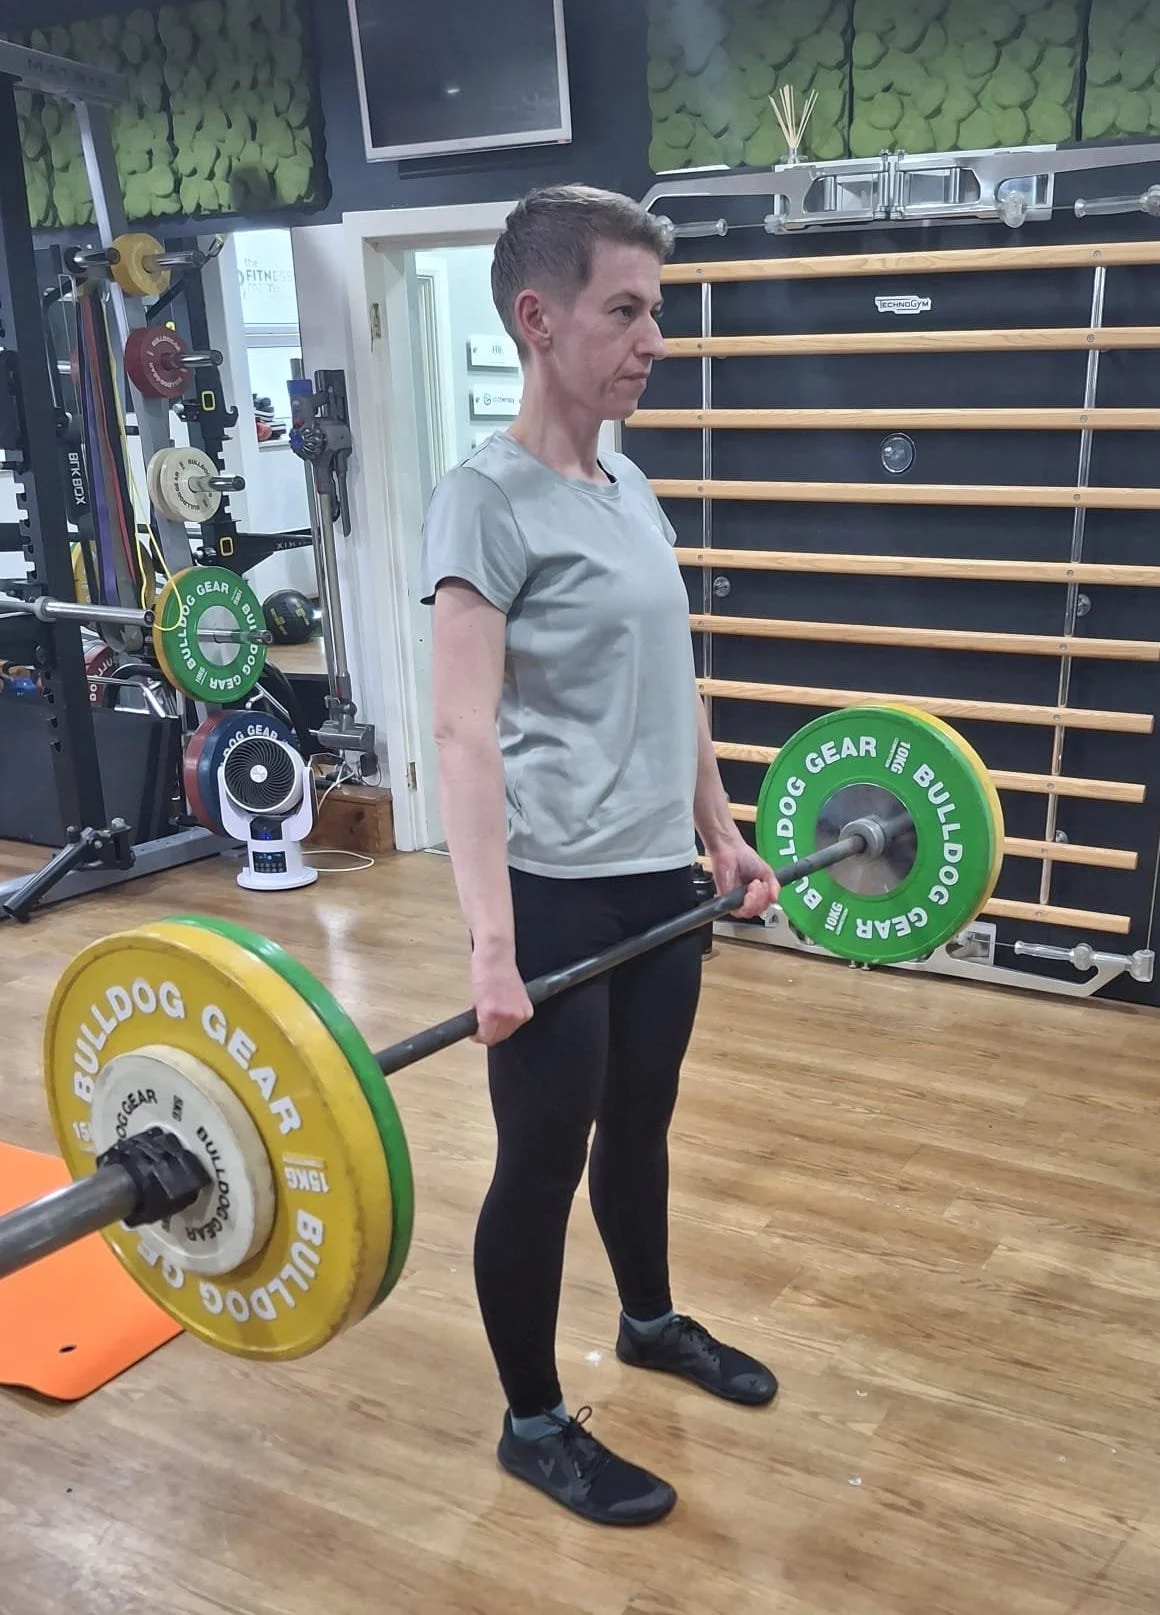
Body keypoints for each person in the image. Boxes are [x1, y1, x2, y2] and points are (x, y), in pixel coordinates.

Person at [419, 184, 782, 1528]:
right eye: (626, 310)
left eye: (658, 311)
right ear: (539, 316)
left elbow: (671, 685)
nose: (654, 339)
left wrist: (723, 834)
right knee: (542, 1159)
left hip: (657, 883)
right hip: (554, 893)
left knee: (640, 1124)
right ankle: (530, 1420)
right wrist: (494, 949)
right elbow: (461, 733)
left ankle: (647, 1319)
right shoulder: (486, 505)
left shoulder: (626, 485)